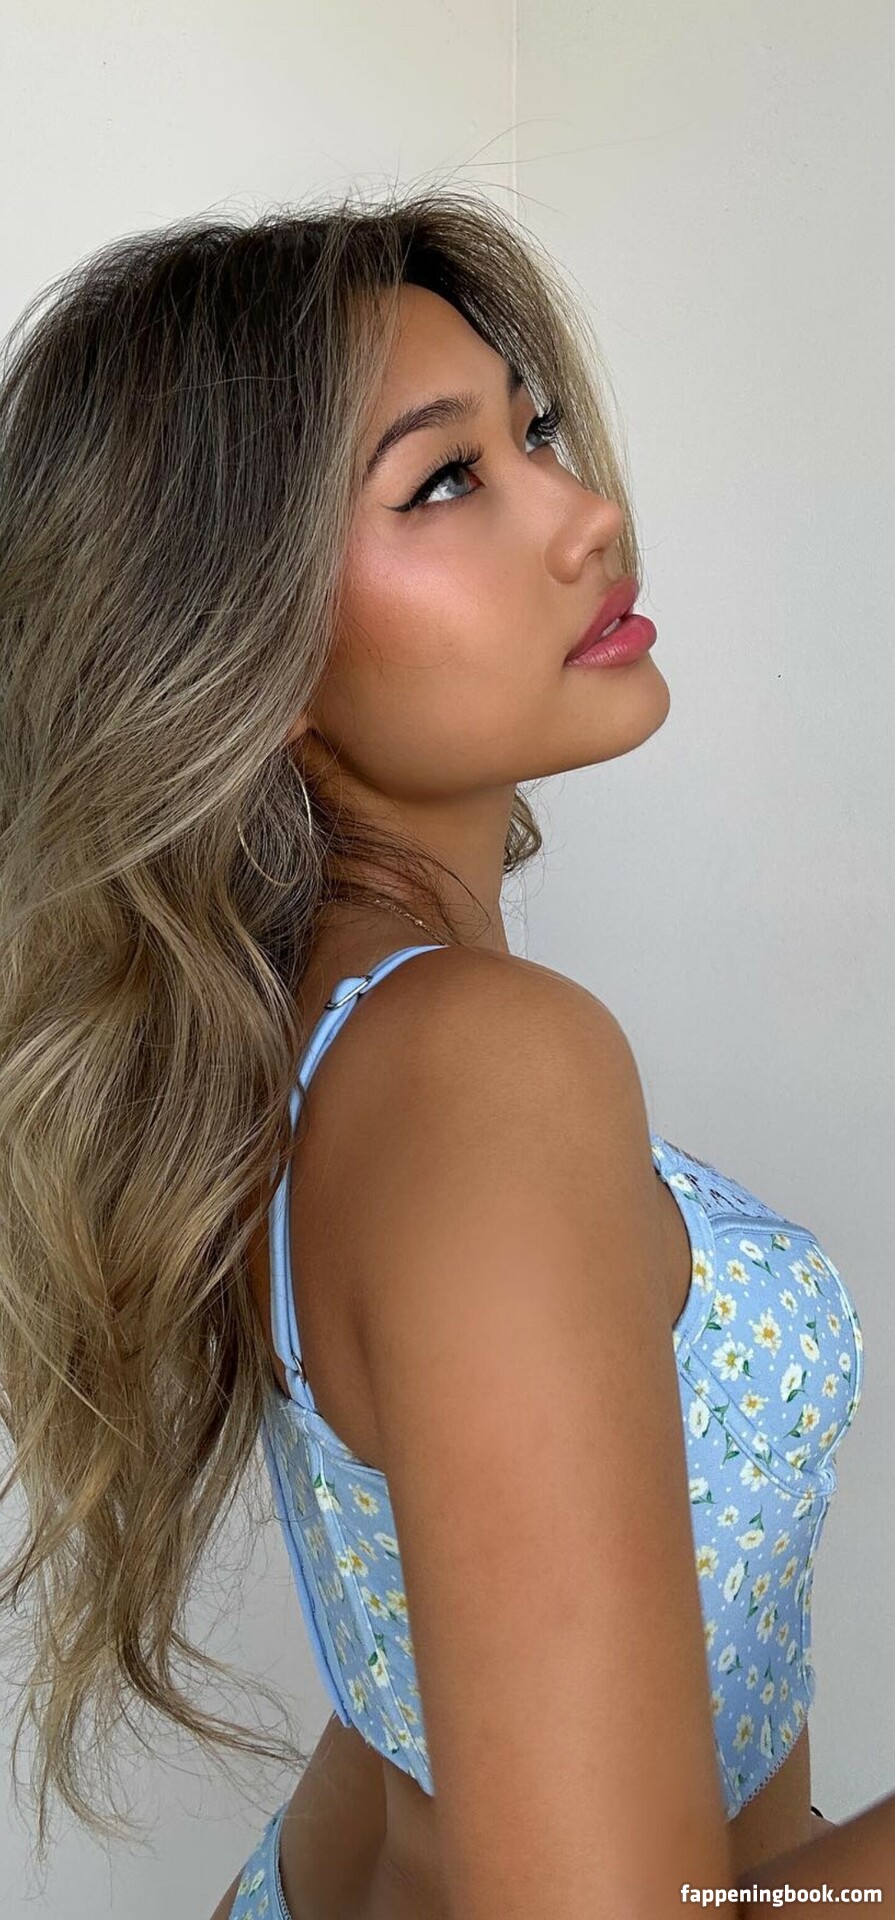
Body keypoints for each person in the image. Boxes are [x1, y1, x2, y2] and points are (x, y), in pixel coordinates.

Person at [0, 190, 889, 1920]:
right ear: (246, 644)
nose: (591, 515)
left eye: (532, 432)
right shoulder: (482, 1064)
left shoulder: (328, 1035)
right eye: (446, 481)